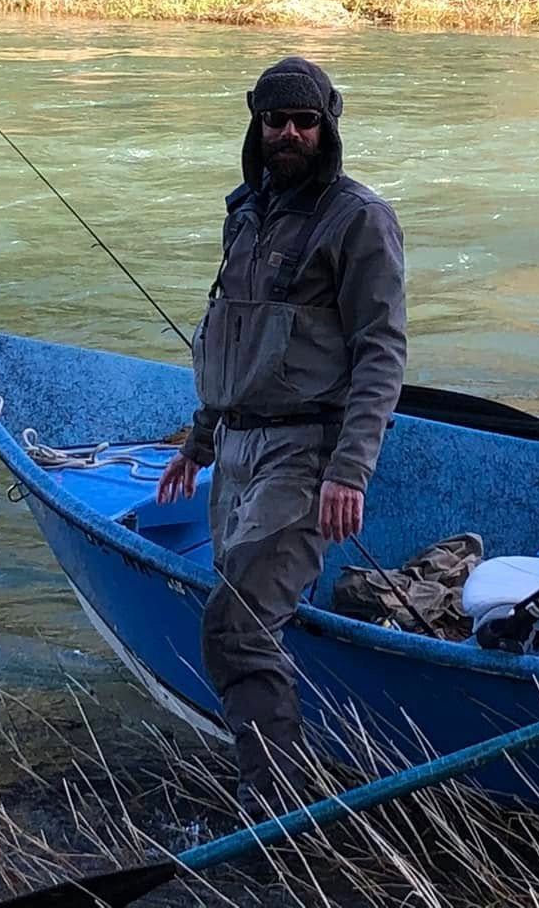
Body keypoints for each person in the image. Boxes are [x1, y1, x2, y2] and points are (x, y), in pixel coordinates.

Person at [155, 55, 407, 809]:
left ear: (327, 127)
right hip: (234, 454)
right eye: (275, 121)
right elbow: (232, 339)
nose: (289, 134)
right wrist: (199, 440)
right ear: (256, 125)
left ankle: (274, 813)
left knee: (235, 626)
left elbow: (382, 353)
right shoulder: (246, 214)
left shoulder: (360, 219)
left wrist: (349, 469)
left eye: (304, 121)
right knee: (247, 616)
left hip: (307, 457)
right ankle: (288, 759)